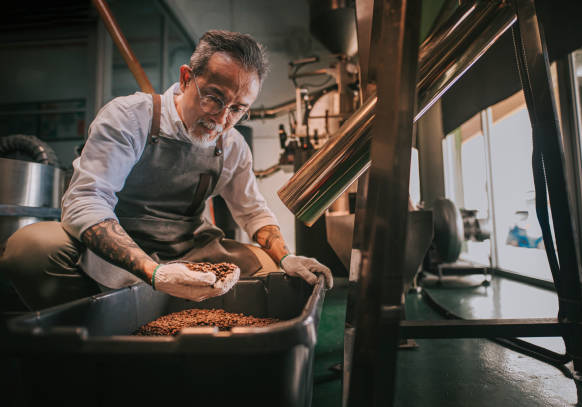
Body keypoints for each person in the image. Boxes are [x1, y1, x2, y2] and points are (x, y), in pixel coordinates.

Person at [0, 30, 333, 310]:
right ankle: (105, 325)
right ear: (186, 78)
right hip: (117, 252)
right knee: (29, 250)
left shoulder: (231, 145)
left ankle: (178, 313)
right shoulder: (129, 117)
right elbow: (86, 201)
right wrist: (154, 273)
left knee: (274, 272)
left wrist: (286, 257)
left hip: (191, 250)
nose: (221, 118)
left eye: (238, 109)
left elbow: (252, 210)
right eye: (215, 98)